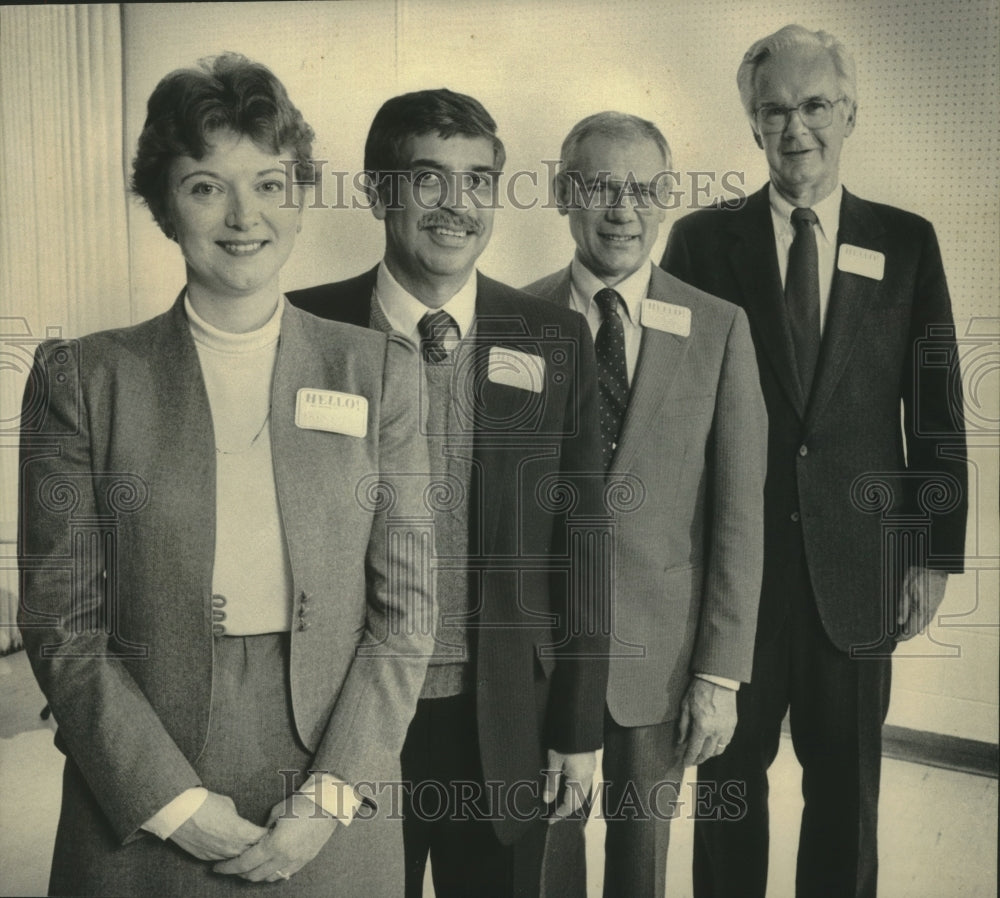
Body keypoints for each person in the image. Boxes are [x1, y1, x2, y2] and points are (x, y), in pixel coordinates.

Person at [17, 53, 433, 897]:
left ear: (301, 196)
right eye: (207, 185)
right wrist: (171, 802)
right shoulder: (82, 381)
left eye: (271, 184)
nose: (245, 216)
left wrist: (328, 795)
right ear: (166, 205)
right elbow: (64, 623)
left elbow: (408, 611)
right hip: (138, 774)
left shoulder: (380, 372)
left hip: (334, 775)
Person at [661, 24, 968, 898]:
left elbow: (937, 414)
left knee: (848, 788)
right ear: (752, 125)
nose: (795, 129)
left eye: (815, 107)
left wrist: (934, 554)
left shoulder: (906, 242)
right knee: (726, 779)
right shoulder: (699, 243)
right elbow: (677, 423)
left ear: (850, 113)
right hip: (736, 579)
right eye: (774, 112)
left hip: (862, 570)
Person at [288, 88, 609, 898]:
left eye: (477, 181)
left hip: (502, 714)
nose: (456, 205)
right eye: (428, 179)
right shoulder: (305, 332)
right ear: (377, 192)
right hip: (344, 715)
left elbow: (585, 543)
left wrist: (576, 725)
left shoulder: (553, 338)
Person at [524, 112, 766, 898]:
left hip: (657, 670)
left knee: (642, 873)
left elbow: (738, 516)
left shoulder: (720, 328)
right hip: (539, 661)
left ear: (667, 198)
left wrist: (720, 676)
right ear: (565, 194)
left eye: (645, 189)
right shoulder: (510, 320)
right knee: (542, 866)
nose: (622, 208)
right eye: (600, 186)